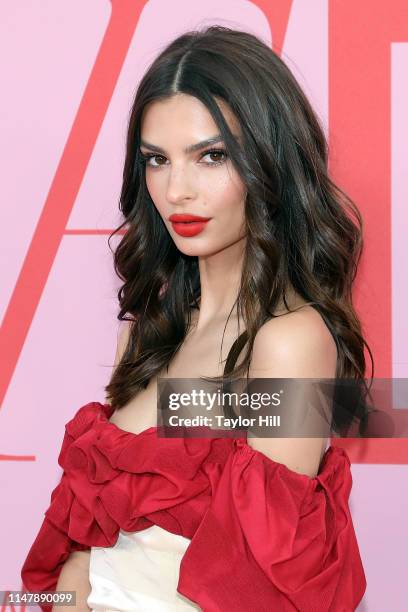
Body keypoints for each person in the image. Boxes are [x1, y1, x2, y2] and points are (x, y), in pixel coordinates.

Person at [20, 25, 372, 611]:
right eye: (157, 160)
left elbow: (263, 588)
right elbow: (87, 531)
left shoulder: (289, 344)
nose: (176, 190)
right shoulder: (149, 325)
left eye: (211, 156)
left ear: (270, 162)